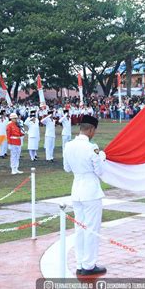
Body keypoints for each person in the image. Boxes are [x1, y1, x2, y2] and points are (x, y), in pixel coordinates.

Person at [63, 115, 107, 276]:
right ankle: (89, 265)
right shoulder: (91, 147)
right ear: (91, 130)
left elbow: (67, 168)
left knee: (79, 228)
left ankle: (81, 262)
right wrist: (101, 157)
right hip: (91, 191)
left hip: (77, 189)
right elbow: (100, 171)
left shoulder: (68, 145)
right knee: (91, 229)